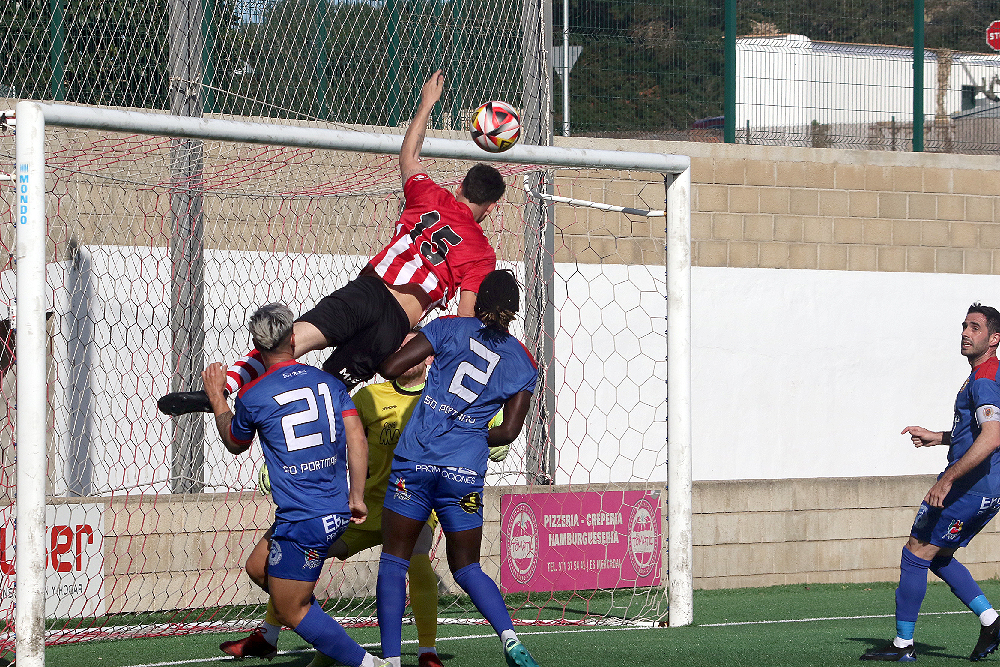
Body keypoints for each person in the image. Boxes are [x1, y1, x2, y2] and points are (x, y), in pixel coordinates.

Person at [158, 69, 505, 417]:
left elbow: (409, 157)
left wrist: (427, 103)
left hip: (367, 294)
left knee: (292, 340)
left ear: (459, 185)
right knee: (327, 390)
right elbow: (464, 317)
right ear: (491, 207)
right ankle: (289, 432)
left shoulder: (429, 194)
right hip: (394, 324)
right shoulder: (482, 253)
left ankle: (225, 388)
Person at [219, 329, 446, 667]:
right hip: (361, 511)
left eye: (412, 346)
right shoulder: (369, 396)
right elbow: (342, 438)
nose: (404, 351)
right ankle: (283, 634)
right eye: (399, 345)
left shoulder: (439, 399)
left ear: (428, 356)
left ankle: (426, 653)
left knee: (417, 562)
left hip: (409, 509)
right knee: (275, 564)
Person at [202, 302, 387, 667]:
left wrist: (216, 397)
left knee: (293, 610)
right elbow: (356, 438)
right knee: (259, 567)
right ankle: (270, 639)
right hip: (327, 508)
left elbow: (235, 443)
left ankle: (368, 664)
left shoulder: (253, 395)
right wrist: (357, 496)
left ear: (256, 345)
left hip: (305, 516)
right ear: (292, 337)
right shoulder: (329, 383)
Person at [374, 269, 541, 667]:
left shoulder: (448, 328)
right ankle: (511, 639)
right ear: (514, 311)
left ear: (478, 300)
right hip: (463, 472)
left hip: (415, 462)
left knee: (395, 559)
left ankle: (392, 660)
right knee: (466, 566)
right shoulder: (522, 360)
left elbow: (392, 368)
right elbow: (509, 431)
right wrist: (470, 438)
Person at [861, 303, 1000, 662]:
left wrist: (948, 480)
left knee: (915, 552)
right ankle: (991, 620)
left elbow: (991, 437)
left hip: (970, 485)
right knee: (938, 556)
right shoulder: (987, 375)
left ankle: (903, 646)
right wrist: (939, 437)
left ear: (994, 338)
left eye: (975, 328)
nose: (966, 333)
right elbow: (977, 434)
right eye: (964, 326)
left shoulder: (985, 377)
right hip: (989, 488)